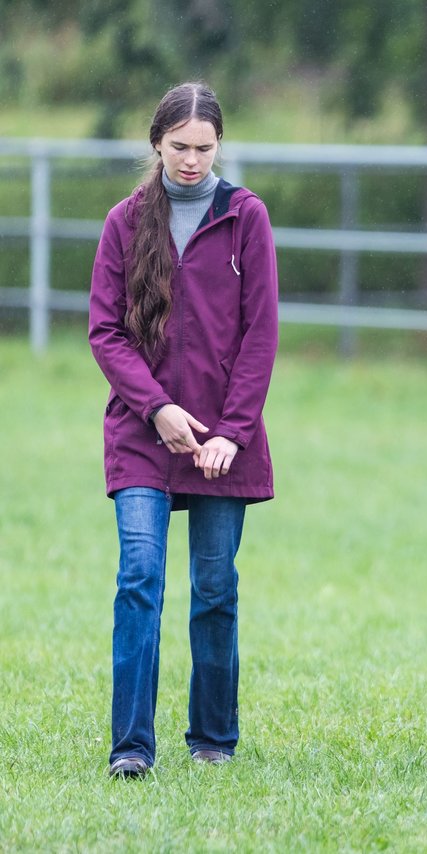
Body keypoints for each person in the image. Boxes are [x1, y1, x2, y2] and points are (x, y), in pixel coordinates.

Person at [89, 81, 279, 778]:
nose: (192, 160)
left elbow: (261, 333)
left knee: (214, 587)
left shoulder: (246, 218)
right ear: (156, 145)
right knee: (140, 575)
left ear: (219, 145)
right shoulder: (124, 221)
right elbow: (105, 332)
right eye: (179, 148)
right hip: (143, 435)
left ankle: (213, 740)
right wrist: (157, 408)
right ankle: (132, 747)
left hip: (227, 444)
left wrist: (231, 429)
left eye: (203, 148)